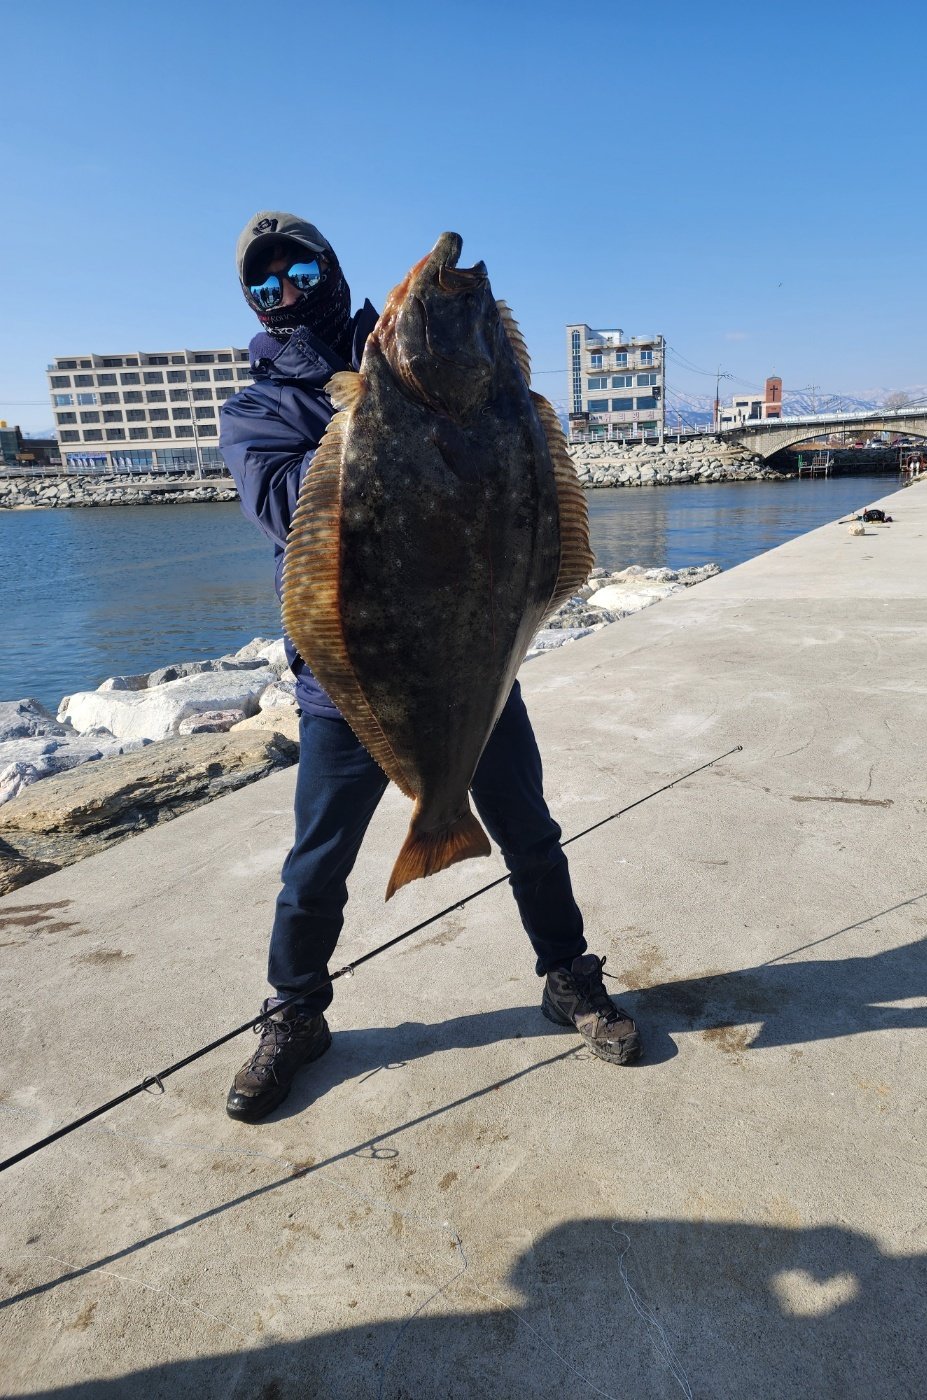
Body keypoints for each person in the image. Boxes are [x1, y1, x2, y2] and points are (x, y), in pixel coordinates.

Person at [219, 211, 640, 1122]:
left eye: (296, 268)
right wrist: (368, 403)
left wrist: (388, 388)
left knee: (529, 825)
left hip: (474, 649)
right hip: (351, 674)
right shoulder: (258, 409)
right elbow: (288, 509)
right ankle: (294, 1013)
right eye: (262, 283)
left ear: (327, 269)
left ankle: (568, 976)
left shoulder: (442, 379)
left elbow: (531, 495)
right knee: (315, 864)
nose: (281, 288)